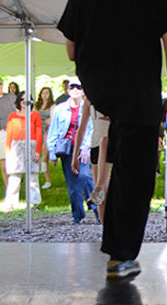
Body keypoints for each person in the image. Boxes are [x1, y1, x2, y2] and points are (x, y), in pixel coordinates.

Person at [57, 0, 167, 280]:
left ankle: (116, 251)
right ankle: (121, 255)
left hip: (102, 102)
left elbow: (70, 50)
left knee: (107, 176)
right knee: (135, 178)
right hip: (141, 103)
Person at [46, 78, 97, 225]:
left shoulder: (88, 107)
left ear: (83, 91)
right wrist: (52, 152)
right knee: (72, 185)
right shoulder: (60, 109)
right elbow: (53, 131)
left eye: (79, 87)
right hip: (66, 149)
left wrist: (87, 146)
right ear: (67, 90)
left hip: (82, 149)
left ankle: (97, 210)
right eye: (72, 87)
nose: (75, 90)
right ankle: (77, 215)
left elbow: (92, 129)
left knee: (86, 177)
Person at [72, 97, 111, 224]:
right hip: (97, 146)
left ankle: (100, 186)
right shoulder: (89, 100)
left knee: (107, 192)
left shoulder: (118, 93)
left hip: (113, 143)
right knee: (101, 197)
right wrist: (75, 155)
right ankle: (107, 232)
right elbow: (81, 128)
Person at [4, 91, 43, 212]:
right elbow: (9, 134)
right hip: (16, 146)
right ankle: (10, 203)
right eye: (23, 100)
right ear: (19, 102)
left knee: (33, 177)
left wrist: (37, 151)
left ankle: (34, 203)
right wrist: (8, 150)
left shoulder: (35, 115)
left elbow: (39, 134)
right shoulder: (12, 116)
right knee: (14, 177)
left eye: (28, 101)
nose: (25, 103)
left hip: (31, 144)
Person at [0, 76, 16, 188]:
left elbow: (18, 111)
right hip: (0, 133)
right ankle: (8, 188)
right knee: (3, 164)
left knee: (14, 161)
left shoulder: (11, 97)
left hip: (13, 132)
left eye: (0, 84)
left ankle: (15, 186)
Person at [35, 87, 55, 189]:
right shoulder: (37, 106)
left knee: (45, 155)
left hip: (48, 131)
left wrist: (50, 119)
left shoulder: (52, 106)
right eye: (43, 93)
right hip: (38, 130)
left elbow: (54, 117)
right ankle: (37, 177)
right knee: (36, 155)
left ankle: (48, 179)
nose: (45, 95)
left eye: (47, 93)